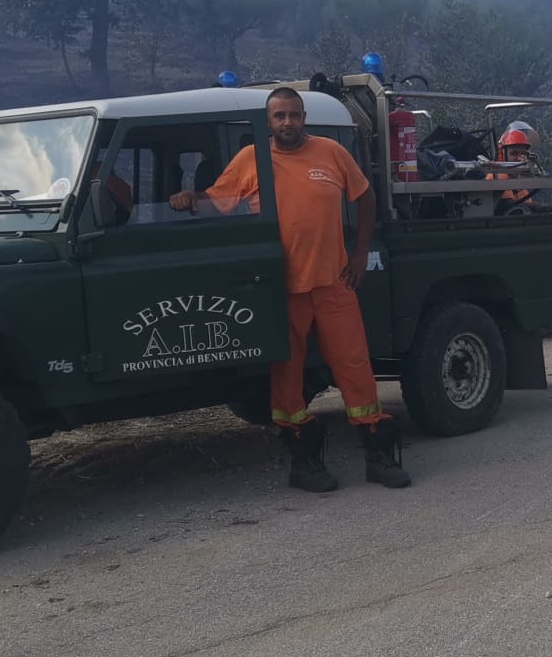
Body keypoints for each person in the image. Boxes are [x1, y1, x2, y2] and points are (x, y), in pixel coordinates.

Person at [170, 87, 407, 492]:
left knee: (355, 368)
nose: (288, 123)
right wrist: (189, 197)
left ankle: (379, 457)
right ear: (269, 120)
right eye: (280, 116)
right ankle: (304, 465)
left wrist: (359, 253)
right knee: (287, 374)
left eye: (294, 115)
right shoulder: (252, 160)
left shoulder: (331, 152)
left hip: (334, 283)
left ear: (303, 118)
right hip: (283, 289)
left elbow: (365, 197)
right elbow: (217, 200)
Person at [492, 121, 543, 213]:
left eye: (523, 153)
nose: (519, 158)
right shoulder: (496, 177)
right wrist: (537, 208)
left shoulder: (522, 188)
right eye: (514, 153)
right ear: (501, 154)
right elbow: (507, 207)